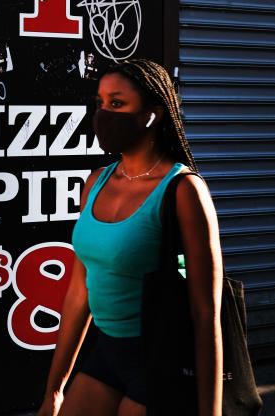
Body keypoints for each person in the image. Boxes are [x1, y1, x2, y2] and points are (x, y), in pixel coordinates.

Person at [37, 58, 223, 416]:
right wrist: (54, 390)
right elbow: (79, 292)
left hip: (161, 357)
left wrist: (210, 412)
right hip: (106, 354)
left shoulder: (183, 190)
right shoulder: (97, 182)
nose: (104, 114)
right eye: (100, 103)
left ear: (152, 115)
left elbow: (205, 314)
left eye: (117, 104)